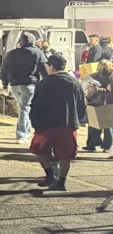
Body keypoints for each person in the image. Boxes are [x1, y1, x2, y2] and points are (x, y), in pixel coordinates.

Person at [29, 54, 87, 191]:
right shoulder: (75, 83)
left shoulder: (44, 83)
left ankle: (50, 174)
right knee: (66, 155)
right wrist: (77, 119)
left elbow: (36, 105)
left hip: (46, 124)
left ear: (52, 67)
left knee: (39, 150)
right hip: (68, 124)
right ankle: (62, 181)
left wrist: (35, 121)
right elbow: (81, 105)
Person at [1, 33, 49, 144]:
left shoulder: (10, 54)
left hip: (14, 85)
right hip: (29, 85)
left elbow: (4, 71)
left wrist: (5, 85)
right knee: (25, 109)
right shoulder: (38, 53)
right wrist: (46, 83)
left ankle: (26, 132)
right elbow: (45, 70)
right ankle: (22, 135)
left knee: (24, 108)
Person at [82, 59, 113, 152]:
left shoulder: (111, 77)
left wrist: (97, 90)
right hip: (95, 101)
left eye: (105, 67)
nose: (103, 69)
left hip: (107, 102)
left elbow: (109, 91)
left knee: (108, 126)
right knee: (94, 124)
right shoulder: (94, 75)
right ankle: (93, 144)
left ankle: (107, 146)